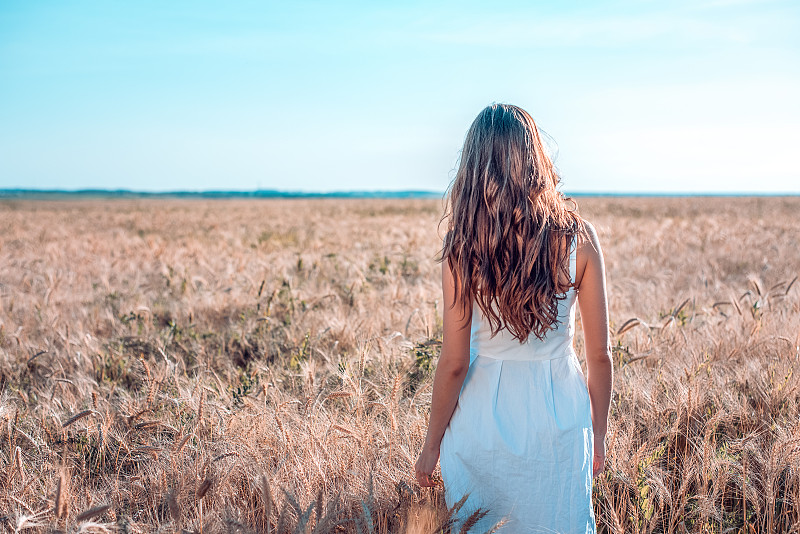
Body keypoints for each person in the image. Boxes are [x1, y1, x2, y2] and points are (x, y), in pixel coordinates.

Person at [414, 103, 613, 533]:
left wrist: (431, 446)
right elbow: (600, 355)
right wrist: (598, 433)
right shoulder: (579, 237)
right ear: (536, 159)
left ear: (473, 168)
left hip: (481, 424)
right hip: (559, 421)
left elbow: (453, 364)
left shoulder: (462, 248)